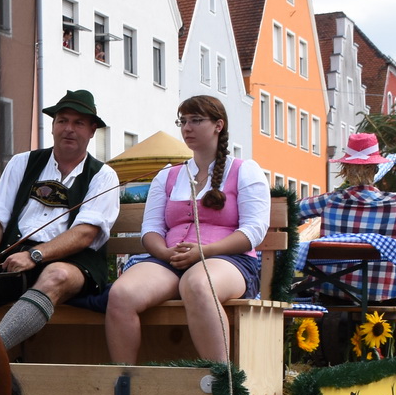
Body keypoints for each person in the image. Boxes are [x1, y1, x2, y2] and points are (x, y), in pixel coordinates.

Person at [103, 95, 271, 364]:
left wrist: (205, 251)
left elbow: (253, 232)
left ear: (219, 125)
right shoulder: (168, 175)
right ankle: (126, 386)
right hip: (171, 260)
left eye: (196, 120)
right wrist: (166, 253)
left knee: (198, 283)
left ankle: (221, 383)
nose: (187, 128)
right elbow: (151, 230)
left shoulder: (244, 171)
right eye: (183, 122)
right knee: (122, 294)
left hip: (229, 261)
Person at [0, 91, 118, 350]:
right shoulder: (22, 162)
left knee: (55, 275)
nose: (68, 129)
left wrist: (34, 255)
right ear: (53, 126)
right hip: (13, 257)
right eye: (62, 121)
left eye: (78, 123)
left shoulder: (103, 175)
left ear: (92, 131)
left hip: (75, 263)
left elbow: (84, 234)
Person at [297, 133, 396, 305]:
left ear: (345, 169)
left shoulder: (329, 201)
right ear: (376, 168)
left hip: (333, 293)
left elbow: (292, 209)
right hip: (387, 295)